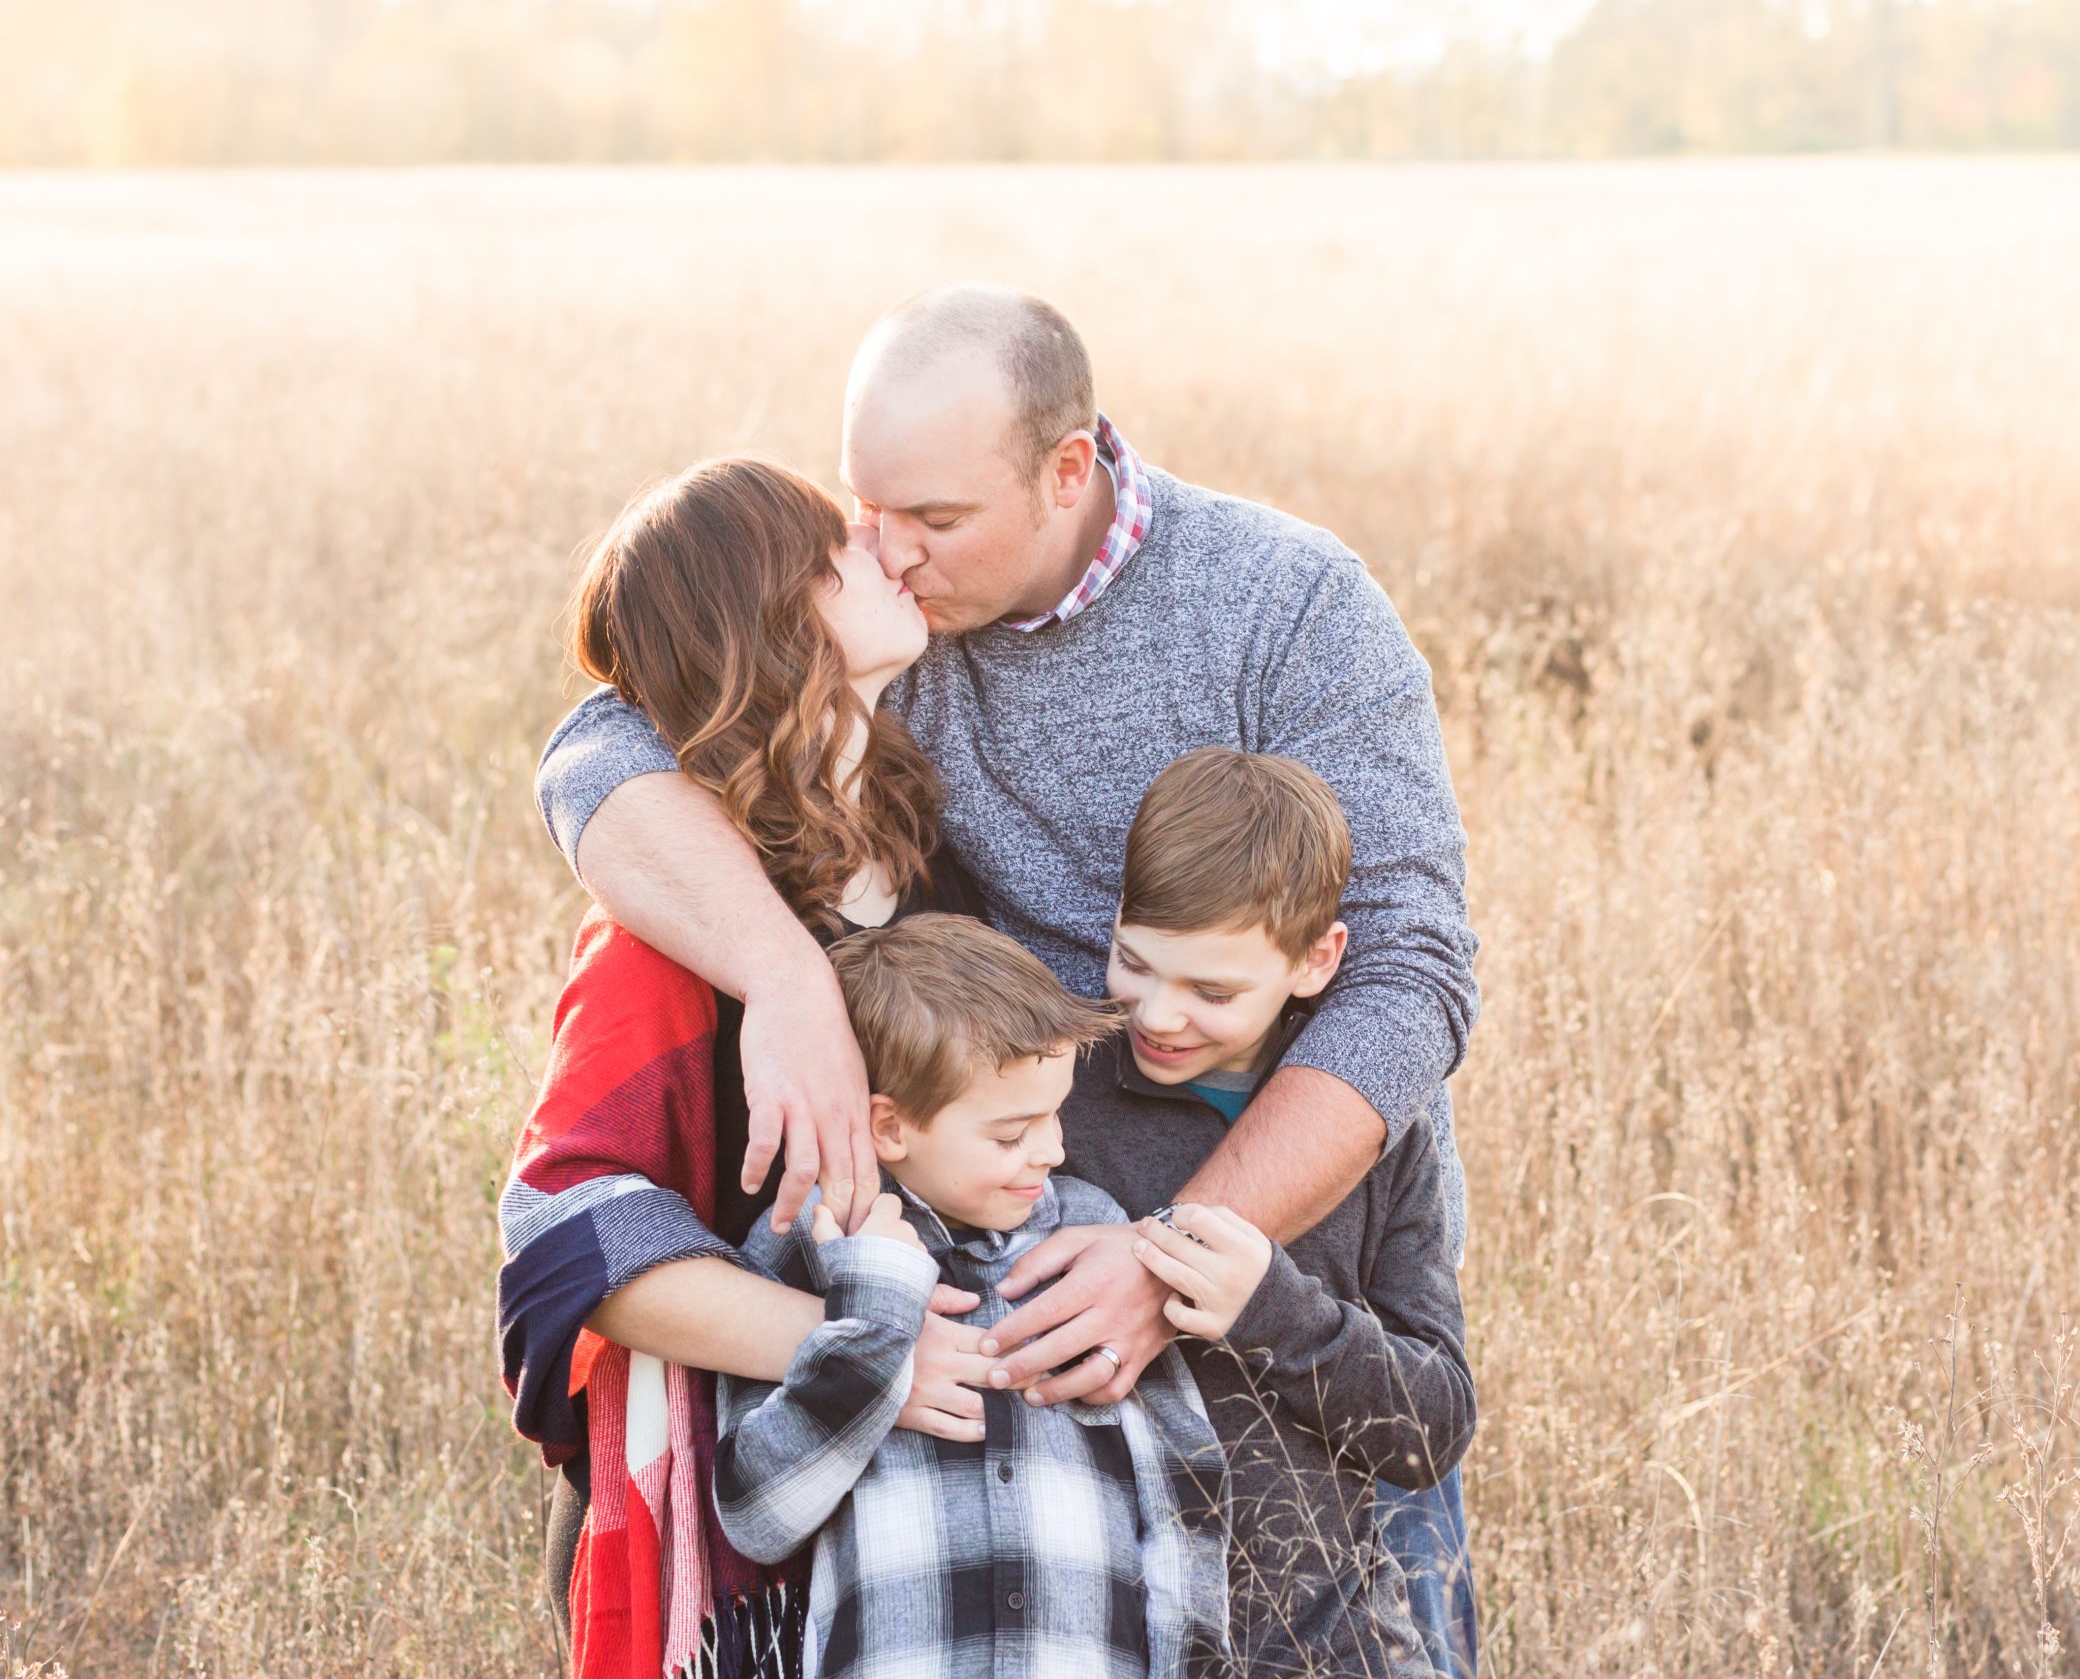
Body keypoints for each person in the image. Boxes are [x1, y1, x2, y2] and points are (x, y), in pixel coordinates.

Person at [533, 283, 1483, 1665]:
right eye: (869, 512)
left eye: (934, 519)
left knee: (1357, 1622)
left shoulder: (1287, 602)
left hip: (1280, 1249)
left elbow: (1409, 967)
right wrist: (786, 975)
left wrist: (1173, 1258)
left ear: (1066, 470)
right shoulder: (873, 643)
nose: (890, 552)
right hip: (1009, 1262)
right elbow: (600, 746)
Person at [497, 456, 987, 1678]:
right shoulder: (671, 940)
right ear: (772, 622)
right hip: (723, 1564)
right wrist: (863, 1352)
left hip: (908, 1526)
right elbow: (564, 1244)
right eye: (837, 546)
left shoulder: (920, 868)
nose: (880, 543)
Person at [714, 913, 1231, 1679]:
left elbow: (1178, 1481)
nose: (1051, 1150)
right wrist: (878, 1313)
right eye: (1011, 1132)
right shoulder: (804, 1248)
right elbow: (757, 1516)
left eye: (1055, 1115)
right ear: (890, 1127)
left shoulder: (1092, 1233)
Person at [1062, 748, 1475, 1678]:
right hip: (1112, 1636)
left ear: (1316, 960)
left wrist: (1274, 1310)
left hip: (1328, 1642)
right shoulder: (1055, 1097)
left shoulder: (1375, 1130)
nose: (1159, 1015)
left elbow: (1433, 1425)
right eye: (1136, 962)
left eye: (1213, 990)